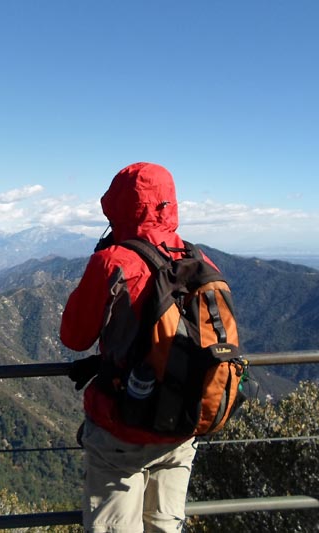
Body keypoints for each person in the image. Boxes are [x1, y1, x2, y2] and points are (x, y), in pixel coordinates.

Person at [61, 162, 210, 533]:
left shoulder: (112, 261)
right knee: (165, 527)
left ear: (118, 205)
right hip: (182, 422)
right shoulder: (198, 259)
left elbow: (74, 337)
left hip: (122, 426)